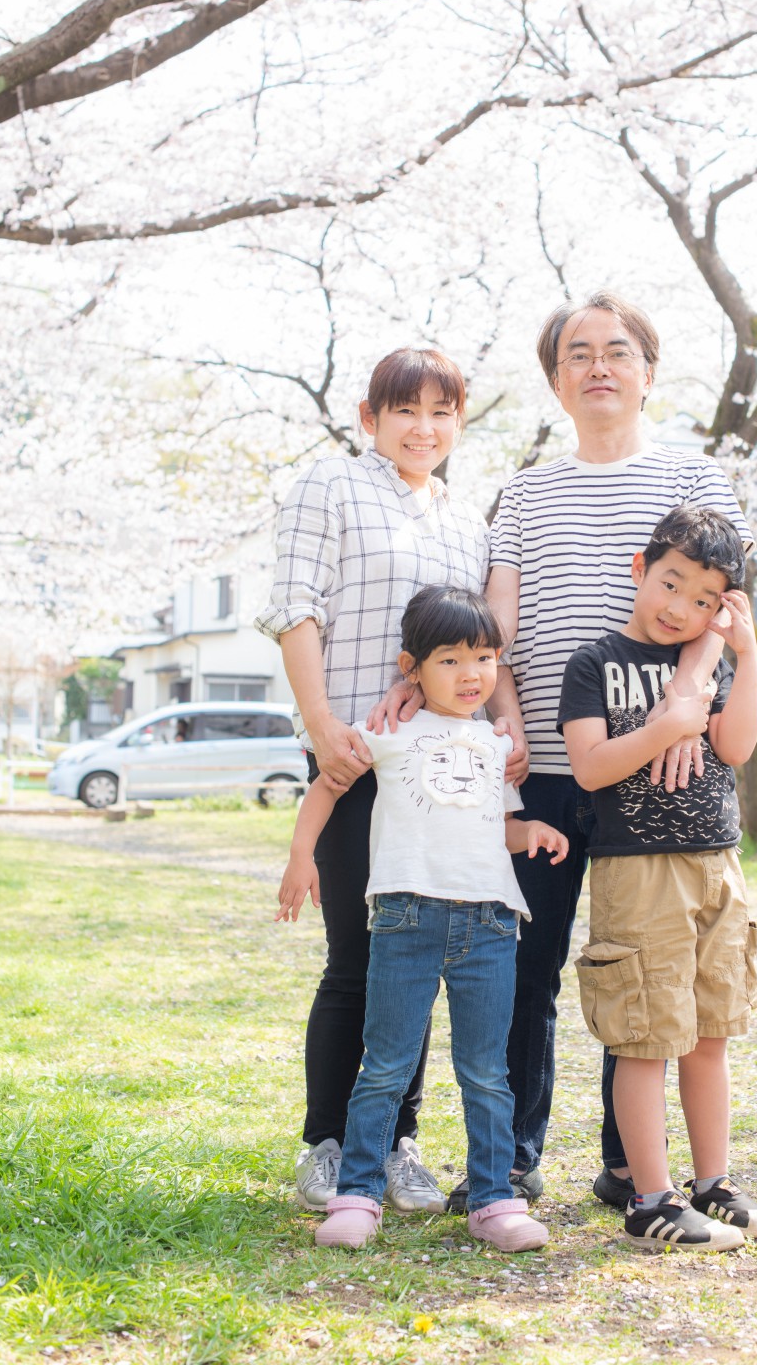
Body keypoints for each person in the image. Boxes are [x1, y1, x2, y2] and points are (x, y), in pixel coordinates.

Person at [480, 290, 754, 1210]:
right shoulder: (524, 492)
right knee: (530, 968)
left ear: (647, 369)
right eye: (578, 353)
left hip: (660, 774)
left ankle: (628, 1168)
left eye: (617, 350)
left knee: (638, 968)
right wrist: (506, 712)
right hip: (554, 768)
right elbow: (502, 625)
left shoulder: (696, 478)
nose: (598, 365)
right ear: (557, 379)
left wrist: (684, 701)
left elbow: (727, 605)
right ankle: (512, 1159)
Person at [256, 347, 512, 1216]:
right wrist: (324, 726)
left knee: (422, 956)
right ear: (371, 417)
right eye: (407, 410)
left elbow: (453, 637)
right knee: (357, 959)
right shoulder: (328, 488)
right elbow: (297, 608)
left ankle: (398, 1143)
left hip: (432, 766)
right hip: (350, 757)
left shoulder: (467, 521)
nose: (424, 428)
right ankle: (328, 1144)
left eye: (443, 412)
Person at [275, 584, 566, 1252]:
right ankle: (358, 1193)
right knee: (385, 1064)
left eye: (485, 658)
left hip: (490, 925)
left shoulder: (498, 743)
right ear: (412, 667)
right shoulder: (390, 729)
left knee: (485, 1071)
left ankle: (493, 1200)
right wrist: (301, 858)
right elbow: (327, 783)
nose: (472, 675)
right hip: (406, 916)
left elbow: (498, 826)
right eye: (452, 660)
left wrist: (534, 833)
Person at [559, 505, 757, 1251]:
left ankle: (711, 1183)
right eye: (671, 585)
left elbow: (738, 745)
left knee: (711, 1033)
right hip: (636, 871)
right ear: (639, 570)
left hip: (718, 861)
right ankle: (648, 1198)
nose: (680, 609)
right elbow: (590, 766)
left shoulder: (713, 662)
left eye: (704, 601)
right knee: (645, 1038)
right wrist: (663, 728)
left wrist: (744, 659)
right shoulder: (593, 663)